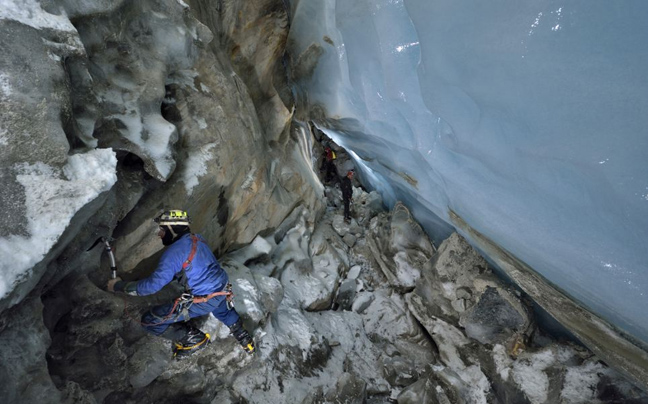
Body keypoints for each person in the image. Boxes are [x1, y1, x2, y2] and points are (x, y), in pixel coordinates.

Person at [107, 210, 255, 358]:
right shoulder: (197, 239)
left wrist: (118, 286)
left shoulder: (174, 253)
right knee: (223, 310)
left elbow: (151, 286)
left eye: (162, 230)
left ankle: (194, 339)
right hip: (221, 288)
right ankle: (244, 337)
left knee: (150, 320)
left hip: (205, 298)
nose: (160, 234)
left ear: (172, 229)